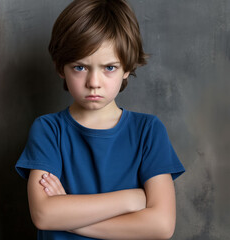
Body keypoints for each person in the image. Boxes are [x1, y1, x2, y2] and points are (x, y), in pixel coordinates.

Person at [15, 0, 185, 239]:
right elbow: (44, 215)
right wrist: (130, 199)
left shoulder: (148, 131)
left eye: (109, 67)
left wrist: (69, 218)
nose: (94, 82)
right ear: (60, 67)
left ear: (127, 67)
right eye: (80, 67)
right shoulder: (48, 130)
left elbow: (161, 225)